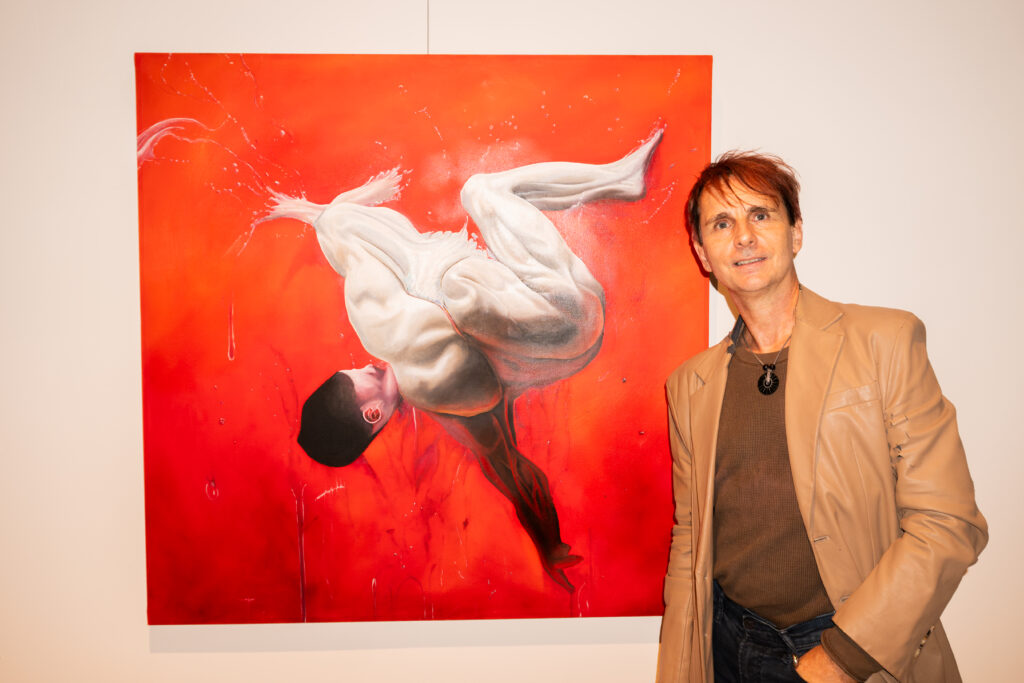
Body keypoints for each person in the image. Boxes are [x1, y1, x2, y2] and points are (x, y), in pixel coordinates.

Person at [267, 130, 663, 591]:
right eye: (356, 379)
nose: (362, 367)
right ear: (371, 413)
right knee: (477, 216)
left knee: (463, 268)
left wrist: (547, 541)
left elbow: (511, 470)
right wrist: (547, 540)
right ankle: (621, 179)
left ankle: (620, 180)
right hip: (567, 317)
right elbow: (512, 471)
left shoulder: (427, 383)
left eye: (348, 372)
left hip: (563, 314)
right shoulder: (411, 358)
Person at [656, 152, 987, 682]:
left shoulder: (885, 342)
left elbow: (948, 522)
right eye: (722, 223)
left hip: (856, 647)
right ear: (702, 253)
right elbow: (690, 539)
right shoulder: (688, 386)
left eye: (760, 214)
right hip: (731, 647)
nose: (743, 237)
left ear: (796, 233)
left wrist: (842, 657)